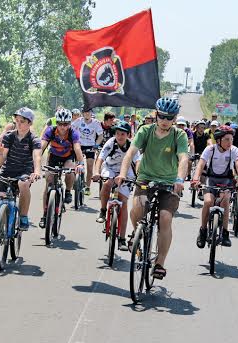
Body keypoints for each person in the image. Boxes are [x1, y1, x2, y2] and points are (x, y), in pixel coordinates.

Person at [115, 97, 189, 280]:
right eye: (162, 116)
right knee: (138, 209)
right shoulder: (145, 131)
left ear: (174, 119)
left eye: (169, 118)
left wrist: (180, 179)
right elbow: (131, 153)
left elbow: (183, 158)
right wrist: (122, 173)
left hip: (169, 183)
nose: (165, 121)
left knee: (165, 218)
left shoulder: (179, 135)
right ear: (156, 115)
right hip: (146, 179)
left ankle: (160, 263)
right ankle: (136, 233)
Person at [192, 125, 238, 248]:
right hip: (210, 180)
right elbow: (200, 165)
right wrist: (195, 179)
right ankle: (203, 231)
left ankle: (225, 233)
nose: (230, 142)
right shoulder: (210, 149)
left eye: (231, 139)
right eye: (227, 139)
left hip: (226, 180)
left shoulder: (234, 150)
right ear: (218, 140)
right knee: (208, 202)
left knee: (225, 201)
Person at [93, 122, 141, 251]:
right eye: (118, 133)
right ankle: (103, 210)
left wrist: (139, 177)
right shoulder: (111, 143)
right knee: (107, 183)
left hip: (126, 172)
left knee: (124, 202)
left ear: (128, 135)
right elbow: (100, 159)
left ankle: (122, 239)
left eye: (123, 134)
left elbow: (137, 162)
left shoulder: (132, 146)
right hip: (110, 168)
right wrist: (97, 172)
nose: (120, 136)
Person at [0, 107, 41, 231]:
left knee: (23, 184)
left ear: (30, 123)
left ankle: (23, 216)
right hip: (8, 170)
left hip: (25, 171)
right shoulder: (9, 136)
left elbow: (37, 156)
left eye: (22, 121)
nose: (18, 124)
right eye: (17, 120)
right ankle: (1, 232)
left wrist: (36, 171)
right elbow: (1, 161)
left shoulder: (34, 139)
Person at [38, 108, 84, 228]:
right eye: (60, 124)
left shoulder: (73, 133)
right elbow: (41, 147)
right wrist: (36, 163)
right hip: (53, 156)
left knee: (70, 171)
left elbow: (77, 149)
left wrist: (80, 163)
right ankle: (44, 215)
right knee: (48, 181)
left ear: (70, 123)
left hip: (68, 156)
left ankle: (68, 191)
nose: (63, 127)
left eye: (66, 124)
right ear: (56, 123)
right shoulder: (50, 131)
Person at [72, 109, 104, 195]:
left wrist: (96, 145)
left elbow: (100, 136)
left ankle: (87, 187)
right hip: (79, 145)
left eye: (88, 112)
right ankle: (75, 180)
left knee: (90, 168)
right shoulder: (78, 121)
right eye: (85, 112)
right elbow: (70, 131)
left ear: (91, 113)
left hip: (91, 146)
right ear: (82, 113)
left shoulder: (96, 122)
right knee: (75, 165)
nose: (87, 114)